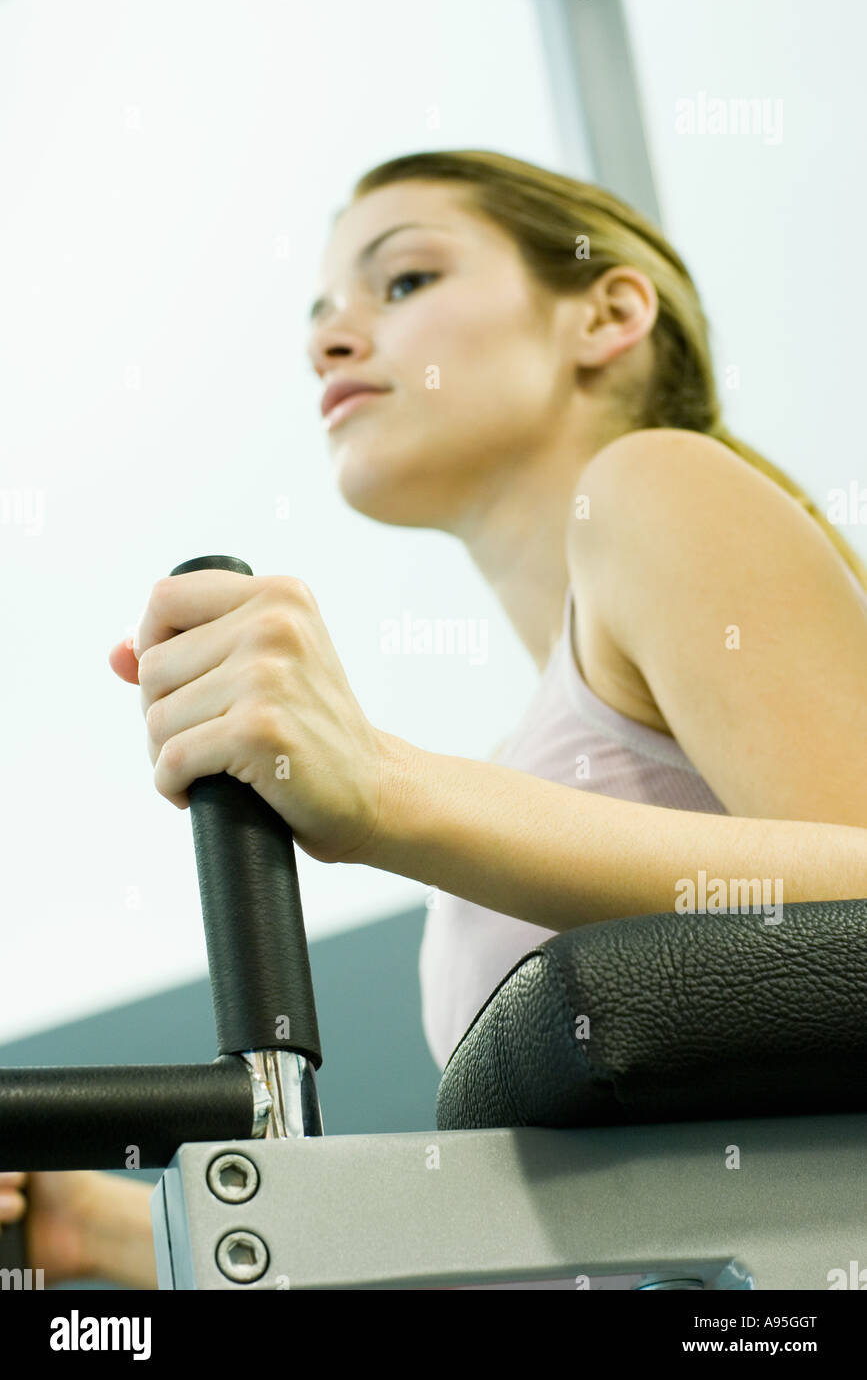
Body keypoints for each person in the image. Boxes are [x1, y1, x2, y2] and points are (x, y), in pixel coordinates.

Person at [3, 149, 866, 1288]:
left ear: (606, 314)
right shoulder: (531, 761)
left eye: (402, 282)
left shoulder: (657, 481)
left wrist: (387, 787)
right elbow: (589, 1241)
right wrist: (107, 1235)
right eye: (318, 315)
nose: (331, 339)